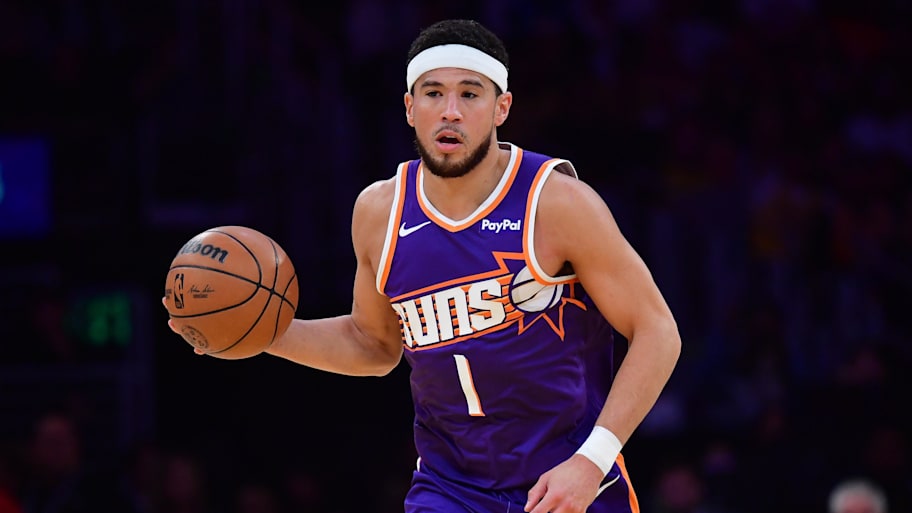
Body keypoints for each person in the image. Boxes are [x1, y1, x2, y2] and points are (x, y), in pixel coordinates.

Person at [167, 18, 680, 513]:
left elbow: (657, 330)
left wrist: (592, 460)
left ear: (501, 108)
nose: (450, 111)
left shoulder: (558, 202)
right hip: (449, 488)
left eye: (470, 94)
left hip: (569, 480)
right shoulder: (378, 212)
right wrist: (263, 334)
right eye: (433, 93)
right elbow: (374, 344)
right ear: (410, 108)